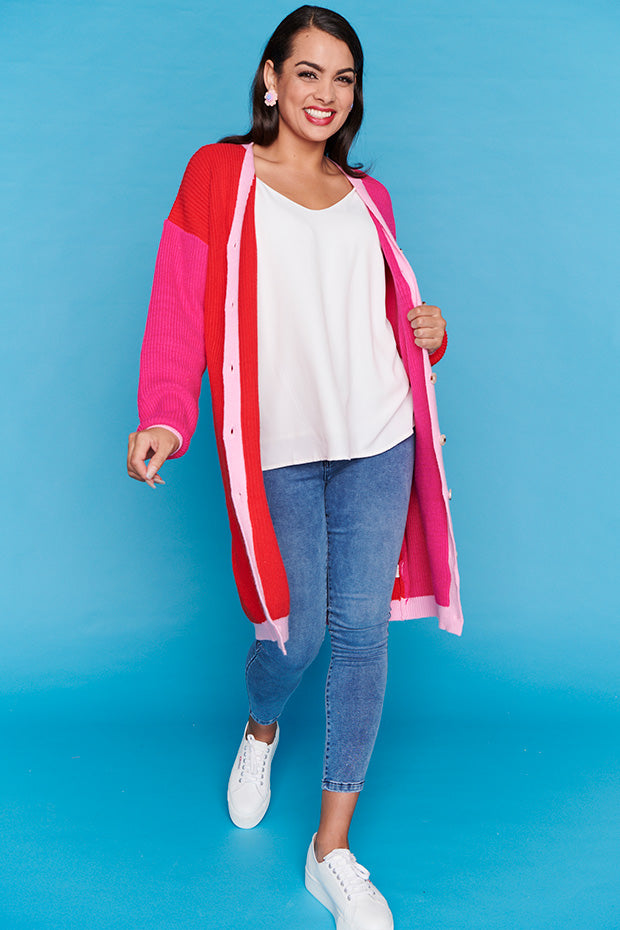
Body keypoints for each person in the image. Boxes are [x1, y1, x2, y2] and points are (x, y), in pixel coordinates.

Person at [127, 6, 463, 929]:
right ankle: (262, 725)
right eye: (307, 73)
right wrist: (164, 417)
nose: (326, 94)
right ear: (270, 80)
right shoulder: (218, 175)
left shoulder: (368, 195)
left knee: (362, 633)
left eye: (343, 78)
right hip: (277, 448)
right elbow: (178, 301)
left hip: (378, 437)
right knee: (296, 633)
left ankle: (332, 850)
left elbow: (380, 316)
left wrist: (430, 333)